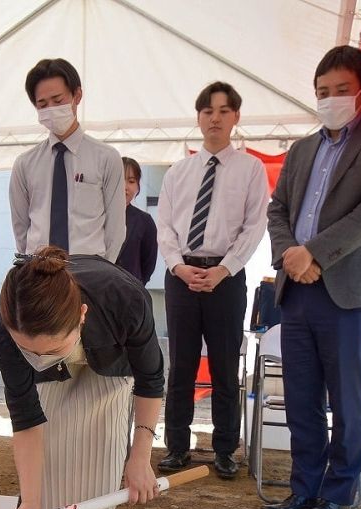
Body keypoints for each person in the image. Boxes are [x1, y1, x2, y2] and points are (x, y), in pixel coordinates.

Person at [262, 45, 361, 509]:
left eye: (341, 91)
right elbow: (277, 209)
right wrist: (290, 255)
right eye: (322, 92)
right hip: (296, 288)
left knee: (346, 400)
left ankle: (339, 494)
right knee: (300, 396)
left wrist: (315, 253)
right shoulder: (301, 150)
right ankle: (303, 489)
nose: (330, 100)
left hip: (347, 291)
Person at [0, 246, 164, 509]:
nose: (39, 359)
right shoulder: (5, 325)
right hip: (54, 371)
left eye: (51, 351)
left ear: (82, 315)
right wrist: (32, 501)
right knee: (52, 443)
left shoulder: (124, 298)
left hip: (110, 362)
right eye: (29, 351)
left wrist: (141, 457)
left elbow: (151, 379)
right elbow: (26, 418)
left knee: (105, 444)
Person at [156, 81, 269, 480]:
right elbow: (165, 226)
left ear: (236, 117)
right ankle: (176, 448)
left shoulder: (251, 169)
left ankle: (224, 450)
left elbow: (255, 225)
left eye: (223, 111)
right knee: (181, 366)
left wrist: (225, 268)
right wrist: (177, 266)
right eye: (207, 111)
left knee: (224, 366)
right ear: (198, 118)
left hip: (227, 275)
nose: (215, 118)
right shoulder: (178, 172)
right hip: (181, 275)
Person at [9, 58, 125, 261]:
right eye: (42, 104)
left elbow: (115, 227)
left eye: (58, 100)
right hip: (40, 270)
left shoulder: (106, 157)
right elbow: (21, 227)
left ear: (77, 96)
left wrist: (104, 271)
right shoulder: (24, 164)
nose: (51, 109)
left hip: (90, 268)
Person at [114, 156, 158, 284]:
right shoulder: (96, 216)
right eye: (119, 179)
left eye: (131, 181)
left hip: (131, 292)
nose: (125, 186)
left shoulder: (145, 221)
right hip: (98, 291)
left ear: (138, 186)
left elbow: (148, 264)